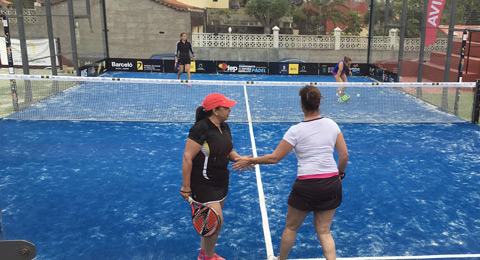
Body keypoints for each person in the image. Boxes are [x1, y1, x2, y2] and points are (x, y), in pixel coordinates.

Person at [232, 85, 349, 260]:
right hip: (331, 184)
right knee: (324, 232)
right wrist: (339, 174)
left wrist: (250, 160)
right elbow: (344, 155)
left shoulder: (295, 131)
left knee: (291, 227)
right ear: (318, 103)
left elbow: (274, 158)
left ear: (302, 104)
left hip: (307, 186)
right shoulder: (332, 125)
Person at [180, 93, 252, 260]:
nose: (230, 110)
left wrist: (241, 159)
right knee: (216, 221)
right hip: (204, 182)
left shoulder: (225, 127)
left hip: (221, 180)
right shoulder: (200, 128)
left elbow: (229, 151)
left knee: (209, 221)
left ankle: (204, 254)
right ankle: (209, 257)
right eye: (226, 107)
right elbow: (187, 157)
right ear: (215, 110)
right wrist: (186, 187)